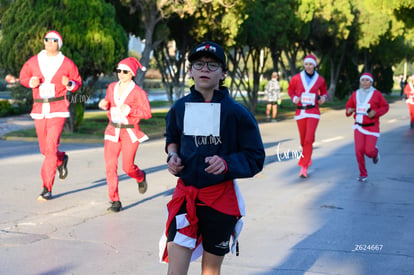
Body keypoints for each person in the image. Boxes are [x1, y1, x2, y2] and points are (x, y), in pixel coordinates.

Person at [159, 41, 265, 274]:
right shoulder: (180, 108)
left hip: (220, 202)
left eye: (212, 65)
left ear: (223, 73)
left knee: (210, 270)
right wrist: (173, 156)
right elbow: (172, 137)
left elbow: (256, 156)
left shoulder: (236, 113)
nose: (204, 69)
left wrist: (227, 163)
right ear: (191, 71)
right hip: (185, 198)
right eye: (199, 64)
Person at [19, 30, 82, 200]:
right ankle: (61, 160)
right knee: (45, 149)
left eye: (53, 40)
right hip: (40, 109)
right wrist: (29, 82)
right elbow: (23, 77)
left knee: (51, 147)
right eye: (46, 39)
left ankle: (47, 187)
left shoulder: (67, 63)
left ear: (58, 44)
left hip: (58, 108)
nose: (48, 41)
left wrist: (69, 83)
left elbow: (77, 82)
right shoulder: (34, 61)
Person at [98, 57, 152, 213]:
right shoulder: (111, 87)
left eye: (125, 71)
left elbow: (147, 113)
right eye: (119, 70)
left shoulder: (138, 92)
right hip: (112, 130)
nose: (121, 74)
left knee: (127, 167)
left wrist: (130, 110)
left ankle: (140, 177)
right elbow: (109, 102)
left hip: (130, 131)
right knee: (110, 166)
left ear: (132, 73)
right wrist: (104, 104)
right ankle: (115, 200)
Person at [287, 54, 328, 178]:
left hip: (313, 111)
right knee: (303, 140)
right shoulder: (296, 78)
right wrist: (294, 98)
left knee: (308, 139)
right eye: (306, 64)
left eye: (311, 64)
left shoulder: (320, 79)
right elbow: (290, 90)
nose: (308, 66)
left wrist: (323, 98)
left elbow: (324, 92)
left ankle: (303, 167)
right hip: (300, 112)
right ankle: (308, 156)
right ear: (304, 65)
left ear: (314, 65)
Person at [345, 72, 389, 182]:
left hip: (372, 127)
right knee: (359, 150)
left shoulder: (377, 94)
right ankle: (363, 173)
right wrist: (349, 110)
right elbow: (349, 105)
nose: (365, 82)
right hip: (359, 126)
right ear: (360, 82)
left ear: (371, 82)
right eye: (363, 80)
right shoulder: (355, 94)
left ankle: (375, 153)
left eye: (367, 80)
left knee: (368, 151)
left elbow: (385, 107)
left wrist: (376, 112)